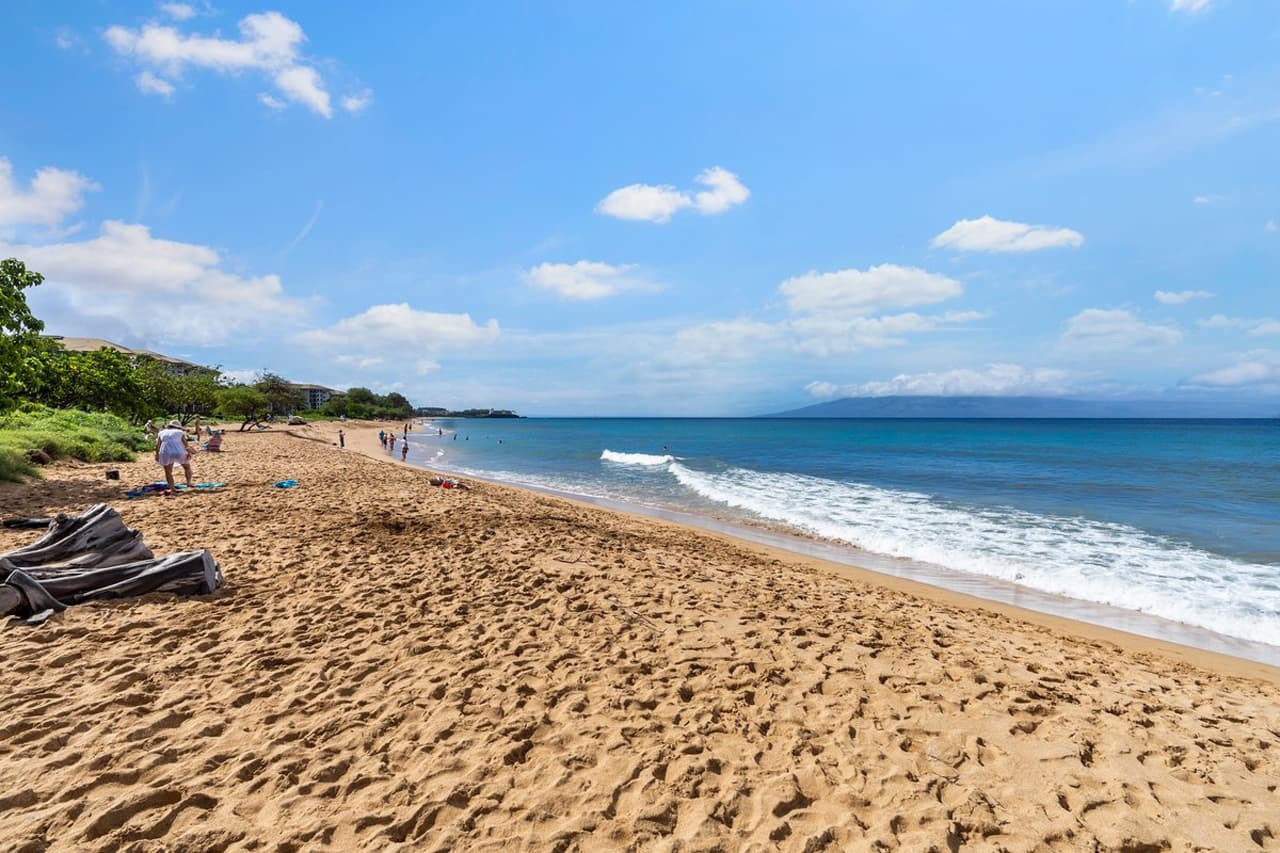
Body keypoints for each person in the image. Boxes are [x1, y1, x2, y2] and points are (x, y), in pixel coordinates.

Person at [155, 419, 193, 493]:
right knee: (187, 467)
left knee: (168, 472)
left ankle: (172, 488)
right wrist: (189, 453)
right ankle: (188, 483)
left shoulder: (161, 432)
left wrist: (157, 455)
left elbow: (158, 445)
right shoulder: (180, 432)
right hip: (179, 451)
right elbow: (185, 444)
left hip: (165, 452)